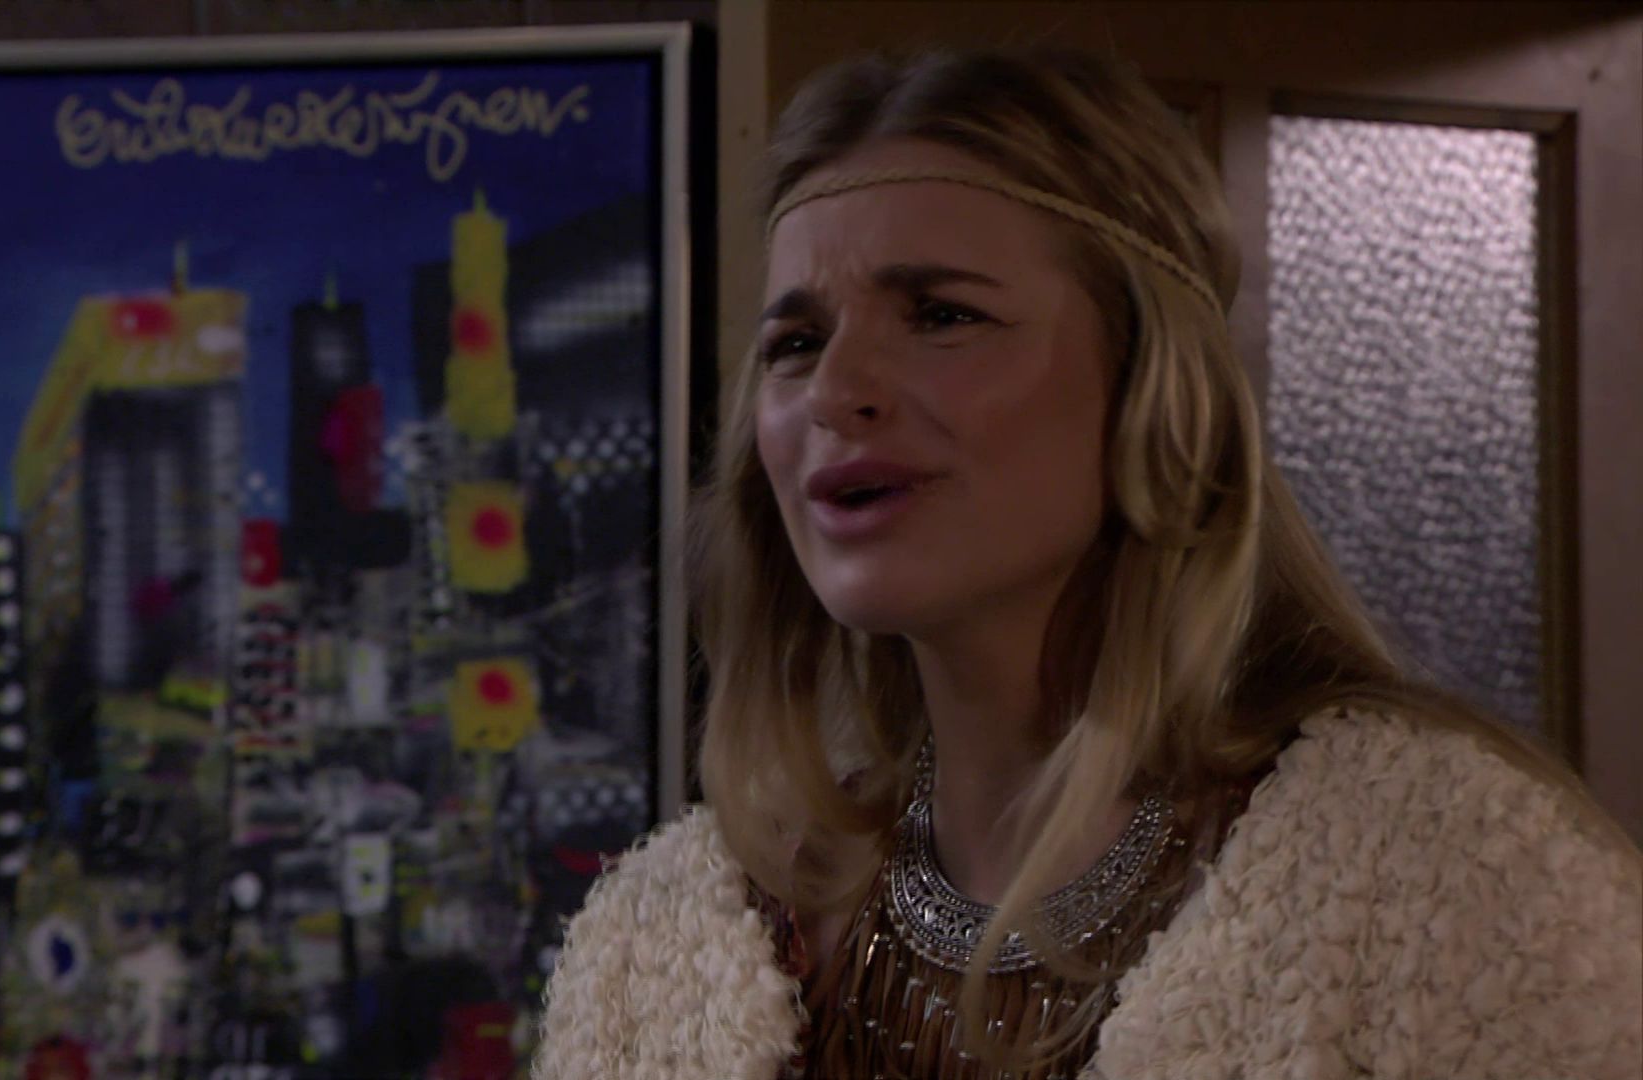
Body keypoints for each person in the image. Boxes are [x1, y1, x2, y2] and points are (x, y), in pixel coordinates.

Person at [532, 47, 1643, 1080]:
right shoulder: (663, 946)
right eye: (797, 343)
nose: (835, 391)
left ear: (1154, 387)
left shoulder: (1445, 890)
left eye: (941, 315)